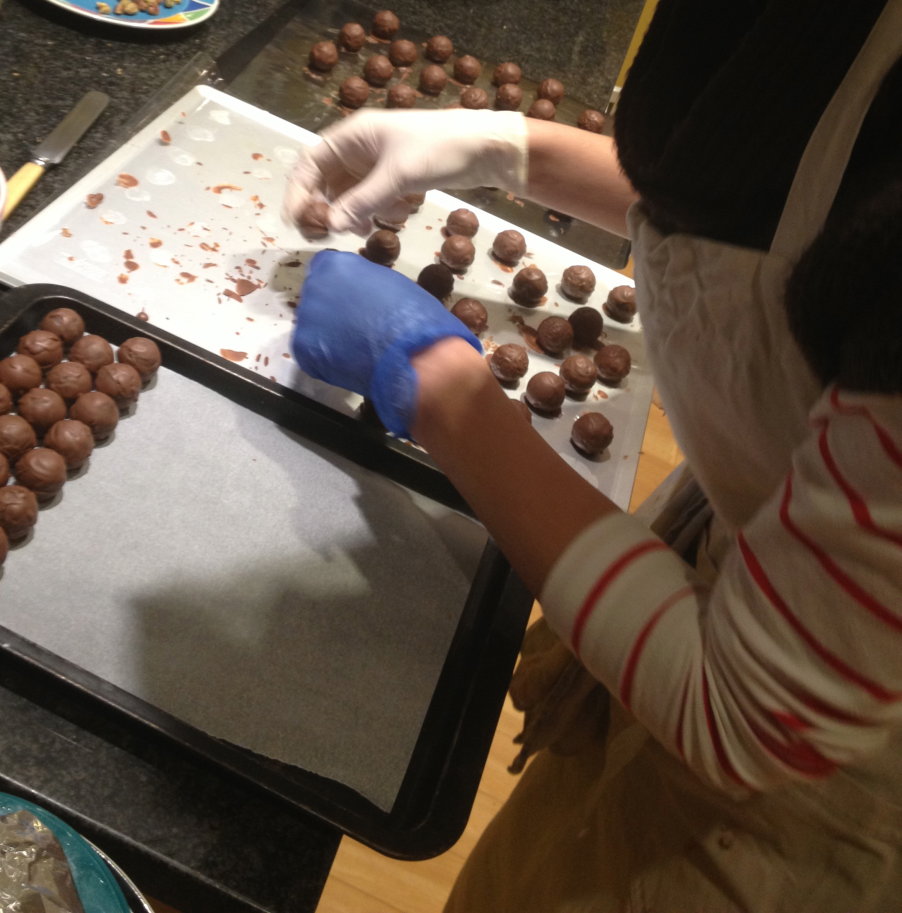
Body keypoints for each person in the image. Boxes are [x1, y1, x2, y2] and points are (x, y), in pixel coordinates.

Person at [283, 1, 902, 909]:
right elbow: (792, 235)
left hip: (831, 775)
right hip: (769, 553)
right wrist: (498, 148)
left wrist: (437, 384)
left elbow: (758, 714)